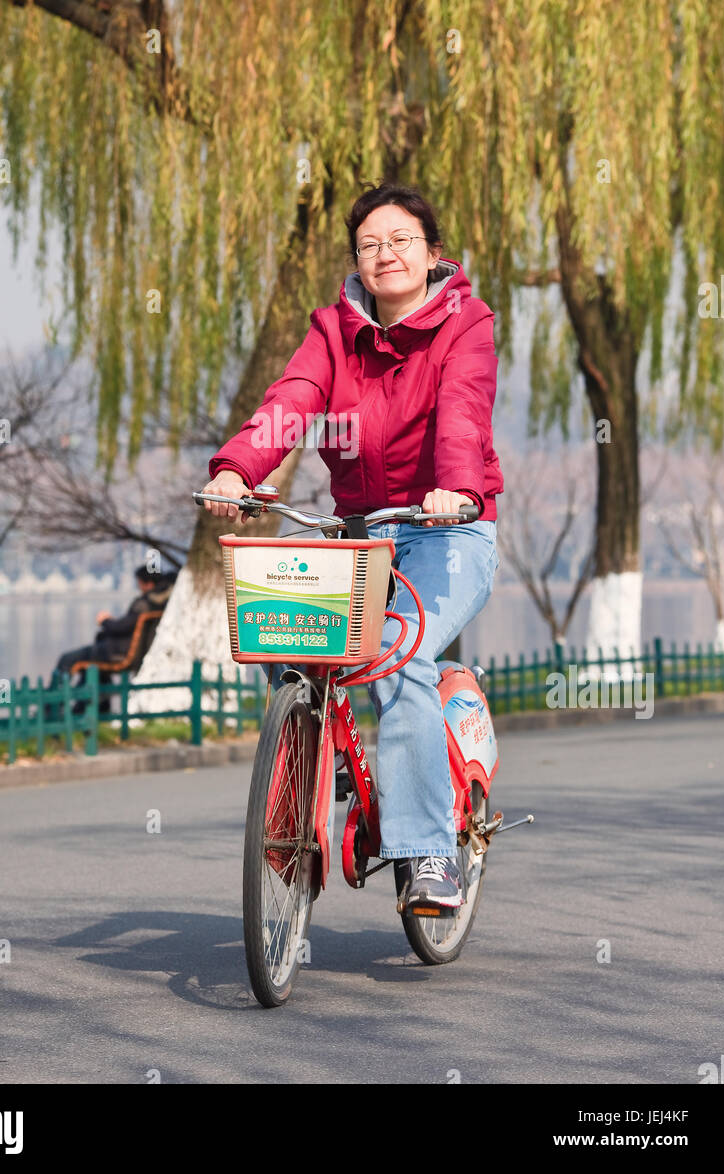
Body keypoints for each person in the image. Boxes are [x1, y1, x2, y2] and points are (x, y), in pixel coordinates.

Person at [201, 181, 504, 914]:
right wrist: (239, 467)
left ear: (432, 254)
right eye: (370, 244)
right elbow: (292, 399)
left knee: (400, 656)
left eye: (401, 240)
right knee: (290, 642)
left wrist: (456, 488)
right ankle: (306, 793)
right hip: (361, 529)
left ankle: (431, 853)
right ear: (357, 262)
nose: (385, 253)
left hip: (448, 528)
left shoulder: (467, 323)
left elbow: (463, 412)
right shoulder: (333, 330)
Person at [51, 566, 175, 696]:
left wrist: (104, 620)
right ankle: (91, 706)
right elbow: (126, 625)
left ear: (148, 584)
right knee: (91, 668)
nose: (139, 587)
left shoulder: (145, 604)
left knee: (67, 659)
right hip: (124, 650)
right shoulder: (160, 603)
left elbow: (120, 627)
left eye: (139, 583)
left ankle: (54, 702)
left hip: (118, 652)